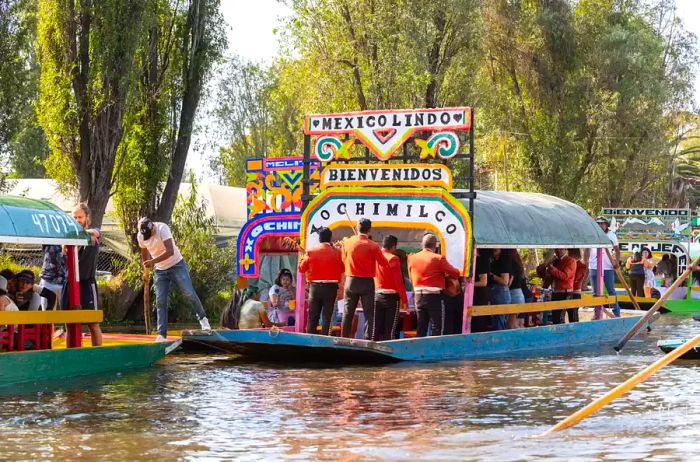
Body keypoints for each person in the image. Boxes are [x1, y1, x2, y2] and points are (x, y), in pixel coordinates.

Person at [138, 217, 211, 342]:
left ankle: (204, 320)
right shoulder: (141, 235)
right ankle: (161, 334)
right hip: (160, 270)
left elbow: (170, 251)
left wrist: (153, 261)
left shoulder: (162, 228)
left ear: (153, 227)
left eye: (149, 235)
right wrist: (146, 266)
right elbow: (144, 250)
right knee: (160, 301)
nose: (148, 238)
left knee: (188, 292)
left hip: (176, 264)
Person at [61, 203, 103, 346]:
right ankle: (70, 354)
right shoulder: (69, 235)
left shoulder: (94, 232)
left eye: (80, 217)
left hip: (86, 282)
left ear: (86, 218)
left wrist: (86, 234)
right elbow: (64, 250)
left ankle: (97, 355)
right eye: (74, 217)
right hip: (69, 282)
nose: (77, 220)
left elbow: (96, 233)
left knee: (93, 323)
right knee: (69, 324)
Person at [340, 218, 389, 339]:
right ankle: (368, 339)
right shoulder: (373, 245)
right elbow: (383, 263)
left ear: (357, 228)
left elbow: (343, 259)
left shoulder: (347, 242)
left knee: (348, 312)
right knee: (369, 313)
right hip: (367, 282)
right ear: (369, 230)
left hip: (351, 280)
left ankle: (343, 338)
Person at [408, 233, 461, 337]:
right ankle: (434, 351)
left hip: (418, 295)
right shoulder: (438, 258)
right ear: (435, 246)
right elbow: (455, 273)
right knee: (436, 326)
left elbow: (411, 279)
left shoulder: (412, 258)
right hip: (434, 296)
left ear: (422, 245)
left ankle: (420, 350)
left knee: (421, 326)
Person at [298, 227, 344, 335]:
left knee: (313, 316)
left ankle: (310, 339)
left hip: (315, 288)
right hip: (331, 288)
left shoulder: (311, 251)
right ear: (330, 239)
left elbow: (301, 268)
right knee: (327, 317)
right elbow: (343, 269)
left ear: (319, 238)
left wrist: (301, 257)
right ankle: (325, 340)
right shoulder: (337, 252)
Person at [584, 216, 621, 317]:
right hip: (594, 266)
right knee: (595, 292)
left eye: (602, 224)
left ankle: (616, 313)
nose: (600, 226)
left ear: (606, 225)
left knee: (611, 290)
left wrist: (616, 262)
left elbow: (617, 250)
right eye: (598, 224)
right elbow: (586, 250)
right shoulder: (591, 235)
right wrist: (585, 263)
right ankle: (597, 313)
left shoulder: (611, 235)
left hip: (608, 266)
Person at [373, 235, 408, 341]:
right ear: (393, 246)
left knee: (375, 329)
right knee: (390, 331)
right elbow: (399, 282)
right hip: (392, 298)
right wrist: (405, 300)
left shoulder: (375, 258)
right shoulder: (393, 259)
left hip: (377, 295)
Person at [547, 248, 576, 324]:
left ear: (565, 249)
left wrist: (553, 269)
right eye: (556, 249)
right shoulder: (555, 261)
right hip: (555, 292)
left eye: (561, 249)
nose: (558, 251)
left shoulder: (571, 261)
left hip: (565, 293)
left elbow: (565, 276)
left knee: (562, 318)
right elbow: (545, 276)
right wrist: (545, 266)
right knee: (556, 318)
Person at [488, 248, 511, 330]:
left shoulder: (503, 261)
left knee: (499, 321)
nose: (494, 248)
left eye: (496, 248)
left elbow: (505, 281)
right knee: (498, 320)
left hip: (500, 292)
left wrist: (490, 275)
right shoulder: (494, 260)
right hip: (497, 292)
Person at [39, 245, 66, 310]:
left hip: (65, 282)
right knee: (46, 314)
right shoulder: (49, 238)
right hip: (47, 280)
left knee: (66, 313)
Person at [471, 249, 491, 333]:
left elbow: (483, 282)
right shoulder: (475, 261)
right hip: (475, 295)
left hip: (479, 296)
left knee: (479, 321)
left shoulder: (480, 261)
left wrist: (469, 285)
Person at [507, 249, 526, 329]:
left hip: (514, 295)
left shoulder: (512, 264)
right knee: (518, 324)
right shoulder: (518, 265)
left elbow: (508, 283)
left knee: (511, 325)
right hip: (519, 295)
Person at [569, 248, 588, 323]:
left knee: (573, 315)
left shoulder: (581, 266)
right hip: (568, 291)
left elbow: (576, 278)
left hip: (575, 292)